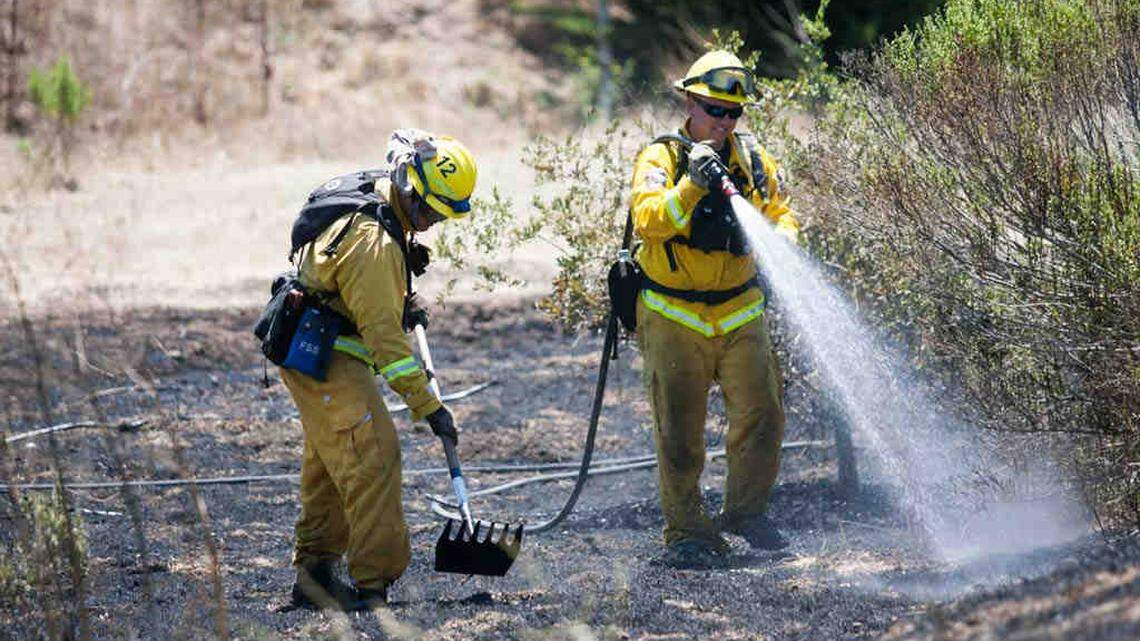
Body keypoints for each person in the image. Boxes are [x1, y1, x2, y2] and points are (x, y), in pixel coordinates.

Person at [280, 129, 476, 609]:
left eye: (440, 216)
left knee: (333, 460)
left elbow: (361, 294)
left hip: (322, 342)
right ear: (409, 185)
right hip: (323, 352)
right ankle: (373, 585)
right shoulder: (374, 244)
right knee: (374, 453)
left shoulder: (383, 203)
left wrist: (396, 297)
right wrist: (430, 408)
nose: (430, 224)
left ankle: (315, 577)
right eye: (428, 211)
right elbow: (388, 346)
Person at [629, 50, 799, 567]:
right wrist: (693, 183)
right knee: (680, 434)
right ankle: (688, 534)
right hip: (674, 314)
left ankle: (747, 513)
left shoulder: (751, 159)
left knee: (764, 416)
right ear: (689, 101)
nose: (724, 122)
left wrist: (785, 244)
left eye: (733, 113)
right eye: (713, 109)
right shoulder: (662, 159)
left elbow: (781, 212)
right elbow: (649, 221)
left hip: (741, 309)